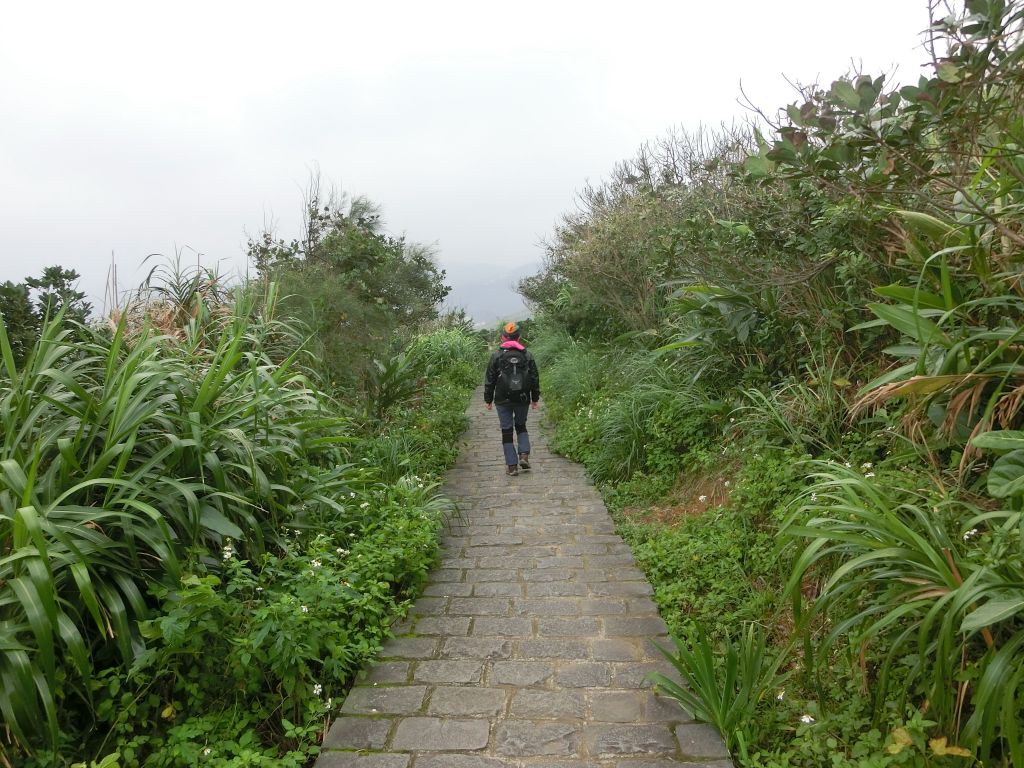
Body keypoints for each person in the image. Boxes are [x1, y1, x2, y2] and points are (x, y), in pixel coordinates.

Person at [483, 321, 541, 476]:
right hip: (523, 398)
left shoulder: (496, 356)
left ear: (503, 337)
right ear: (519, 337)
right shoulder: (527, 355)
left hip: (502, 399)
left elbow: (490, 380)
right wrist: (535, 398)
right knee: (521, 425)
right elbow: (534, 378)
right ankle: (524, 455)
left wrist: (488, 400)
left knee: (506, 431)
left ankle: (512, 466)